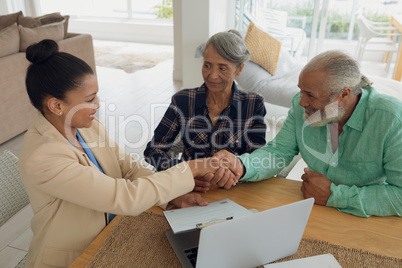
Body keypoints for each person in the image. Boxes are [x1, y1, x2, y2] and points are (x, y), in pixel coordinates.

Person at [18, 39, 226, 268]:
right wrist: (191, 168)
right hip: (76, 257)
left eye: (96, 95)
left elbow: (128, 168)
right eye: (89, 99)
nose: (98, 104)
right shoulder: (43, 157)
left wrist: (172, 196)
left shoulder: (89, 127)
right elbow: (122, 197)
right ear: (57, 106)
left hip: (113, 234)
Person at [214, 50, 402, 217]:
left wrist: (335, 196)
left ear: (344, 94)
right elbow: (279, 151)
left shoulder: (392, 119)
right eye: (301, 91)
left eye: (311, 95)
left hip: (367, 219)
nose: (301, 102)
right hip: (314, 212)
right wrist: (241, 165)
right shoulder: (300, 105)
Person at [144, 30, 267, 192]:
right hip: (189, 189)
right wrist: (187, 171)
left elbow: (256, 158)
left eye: (222, 68)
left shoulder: (253, 104)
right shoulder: (182, 100)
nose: (212, 76)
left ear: (239, 69)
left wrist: (232, 173)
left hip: (235, 190)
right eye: (207, 65)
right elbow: (153, 151)